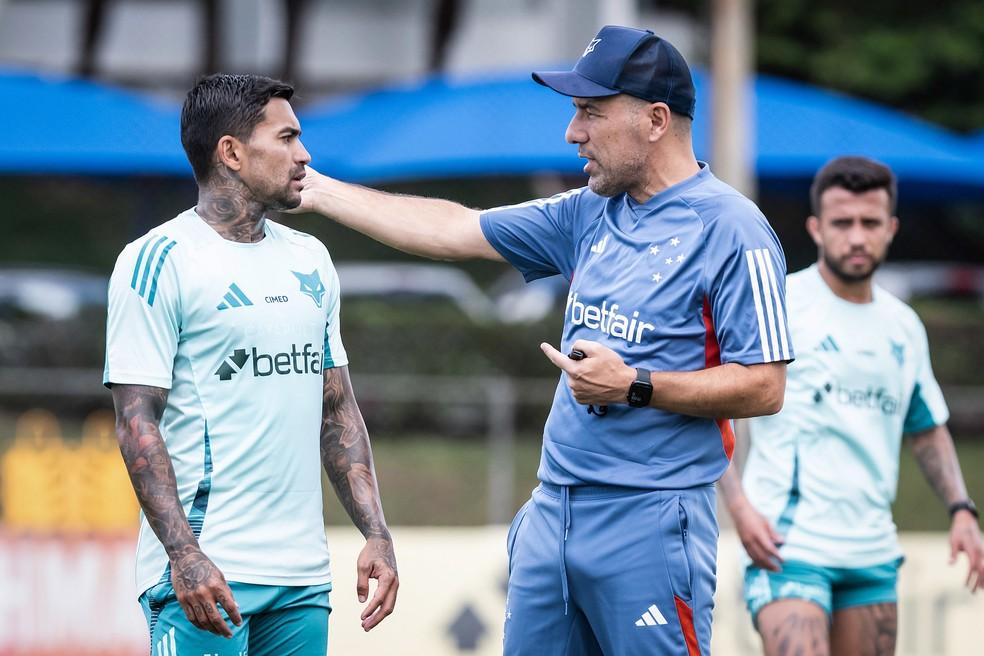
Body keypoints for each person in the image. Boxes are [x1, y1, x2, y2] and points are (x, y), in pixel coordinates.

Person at [295, 25, 792, 655]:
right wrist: (319, 189)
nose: (572, 132)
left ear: (656, 120)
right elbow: (456, 229)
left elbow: (765, 386)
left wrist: (635, 386)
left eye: (591, 112)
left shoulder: (734, 229)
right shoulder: (587, 211)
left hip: (652, 519)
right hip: (552, 511)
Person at [104, 73, 398, 654]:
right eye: (287, 138)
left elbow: (337, 409)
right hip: (206, 572)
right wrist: (184, 555)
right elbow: (136, 423)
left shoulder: (311, 258)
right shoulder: (157, 261)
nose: (304, 154)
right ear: (232, 152)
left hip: (301, 577)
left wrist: (376, 533)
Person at [719, 156, 984, 656]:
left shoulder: (904, 326)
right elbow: (714, 405)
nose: (857, 237)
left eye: (870, 222)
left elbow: (927, 427)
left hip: (872, 553)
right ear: (816, 228)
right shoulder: (780, 304)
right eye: (843, 223)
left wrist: (962, 510)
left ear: (891, 228)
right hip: (787, 546)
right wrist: (739, 509)